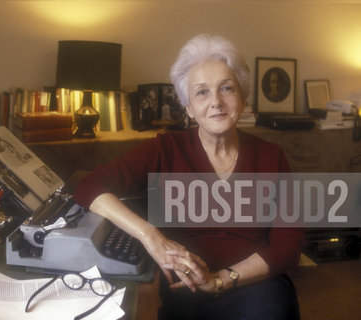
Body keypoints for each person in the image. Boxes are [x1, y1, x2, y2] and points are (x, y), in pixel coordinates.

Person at [73, 34, 304, 320]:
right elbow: (89, 186)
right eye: (202, 92)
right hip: (187, 288)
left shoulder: (271, 156)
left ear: (243, 99)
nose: (216, 101)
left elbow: (289, 246)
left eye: (227, 88)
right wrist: (151, 236)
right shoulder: (164, 150)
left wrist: (220, 280)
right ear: (189, 108)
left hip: (256, 285)